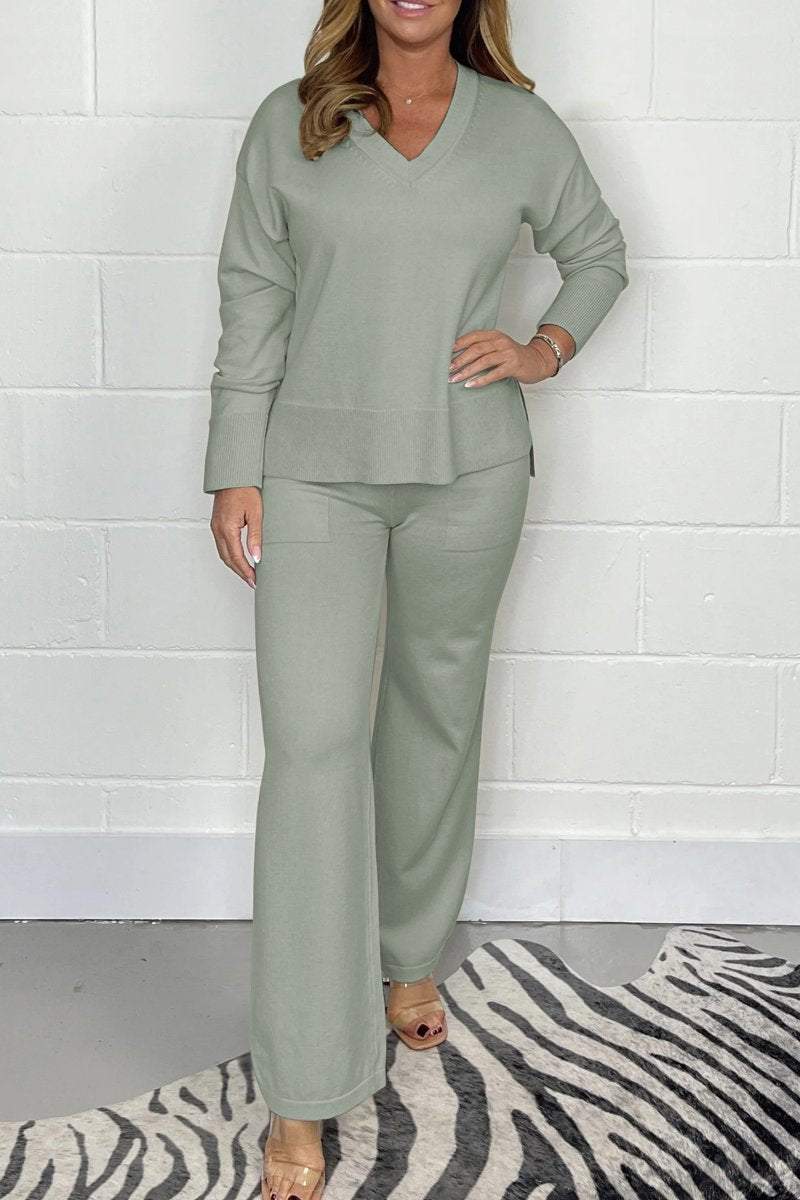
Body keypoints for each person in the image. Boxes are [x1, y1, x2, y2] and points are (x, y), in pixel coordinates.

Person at [203, 1, 628, 1196]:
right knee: (312, 753)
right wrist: (233, 461)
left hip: (469, 470)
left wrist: (541, 348)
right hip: (311, 475)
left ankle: (407, 955)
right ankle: (302, 1085)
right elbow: (252, 293)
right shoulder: (291, 124)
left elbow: (599, 253)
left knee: (433, 712)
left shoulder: (520, 129)